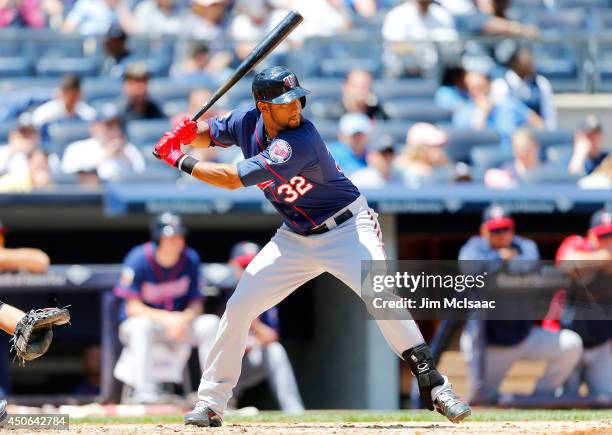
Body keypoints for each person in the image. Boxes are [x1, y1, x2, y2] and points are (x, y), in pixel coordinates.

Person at [153, 65, 471, 427]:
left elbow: (232, 179)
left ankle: (435, 386)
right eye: (285, 103)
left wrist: (177, 157)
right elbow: (210, 134)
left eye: (297, 101)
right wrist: (189, 132)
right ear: (263, 106)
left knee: (380, 296)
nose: (295, 108)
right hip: (295, 236)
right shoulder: (245, 121)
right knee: (239, 308)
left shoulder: (299, 141)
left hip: (348, 228)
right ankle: (210, 404)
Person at [458, 205, 583, 404]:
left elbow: (529, 263)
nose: (501, 234)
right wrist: (501, 259)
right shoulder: (474, 247)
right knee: (480, 400)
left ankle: (540, 396)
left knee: (571, 344)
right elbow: (469, 268)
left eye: (505, 228)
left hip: (525, 337)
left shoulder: (524, 245)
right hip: (490, 346)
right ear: (484, 231)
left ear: (512, 229)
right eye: (495, 229)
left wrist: (494, 267)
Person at [112, 212, 220, 403]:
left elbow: (196, 303)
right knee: (140, 325)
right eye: (170, 237)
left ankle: (213, 394)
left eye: (179, 236)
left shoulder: (190, 258)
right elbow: (132, 307)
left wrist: (183, 319)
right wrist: (168, 319)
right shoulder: (138, 257)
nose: (176, 241)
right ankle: (144, 393)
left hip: (180, 325)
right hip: (147, 326)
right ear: (158, 238)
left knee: (211, 323)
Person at [203, 241, 304, 414]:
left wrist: (250, 318)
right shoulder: (219, 291)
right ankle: (213, 403)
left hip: (249, 363)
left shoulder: (266, 293)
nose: (247, 270)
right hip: (221, 364)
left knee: (275, 350)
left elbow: (271, 337)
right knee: (208, 330)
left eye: (252, 264)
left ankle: (294, 410)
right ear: (232, 266)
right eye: (243, 265)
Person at [547, 208, 612, 397]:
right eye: (603, 235)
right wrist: (602, 259)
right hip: (572, 344)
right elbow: (565, 262)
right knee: (564, 398)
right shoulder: (576, 243)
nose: (608, 240)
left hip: (601, 345)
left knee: (607, 398)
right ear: (591, 235)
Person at [453, 71, 544, 147]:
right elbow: (470, 143)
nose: (478, 92)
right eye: (473, 88)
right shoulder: (463, 114)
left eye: (481, 86)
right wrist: (481, 114)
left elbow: (538, 123)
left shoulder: (508, 104)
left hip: (514, 155)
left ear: (489, 84)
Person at [61, 104, 145, 183]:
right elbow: (68, 179)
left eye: (117, 124)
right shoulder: (77, 149)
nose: (115, 129)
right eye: (109, 125)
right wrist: (105, 156)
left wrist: (127, 159)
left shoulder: (129, 149)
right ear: (94, 127)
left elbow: (142, 178)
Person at [492, 45, 557, 131]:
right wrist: (528, 115)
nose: (528, 64)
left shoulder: (541, 82)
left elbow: (549, 113)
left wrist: (548, 131)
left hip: (537, 135)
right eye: (524, 61)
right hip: (511, 135)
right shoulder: (501, 84)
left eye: (530, 60)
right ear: (514, 63)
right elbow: (501, 115)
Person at [31, 74, 96, 145]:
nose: (68, 98)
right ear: (59, 93)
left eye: (73, 95)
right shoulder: (43, 114)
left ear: (79, 94)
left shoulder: (88, 115)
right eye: (65, 94)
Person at [394, 122, 454, 188]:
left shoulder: (441, 170)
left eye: (440, 146)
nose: (439, 150)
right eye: (433, 146)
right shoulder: (400, 171)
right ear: (418, 148)